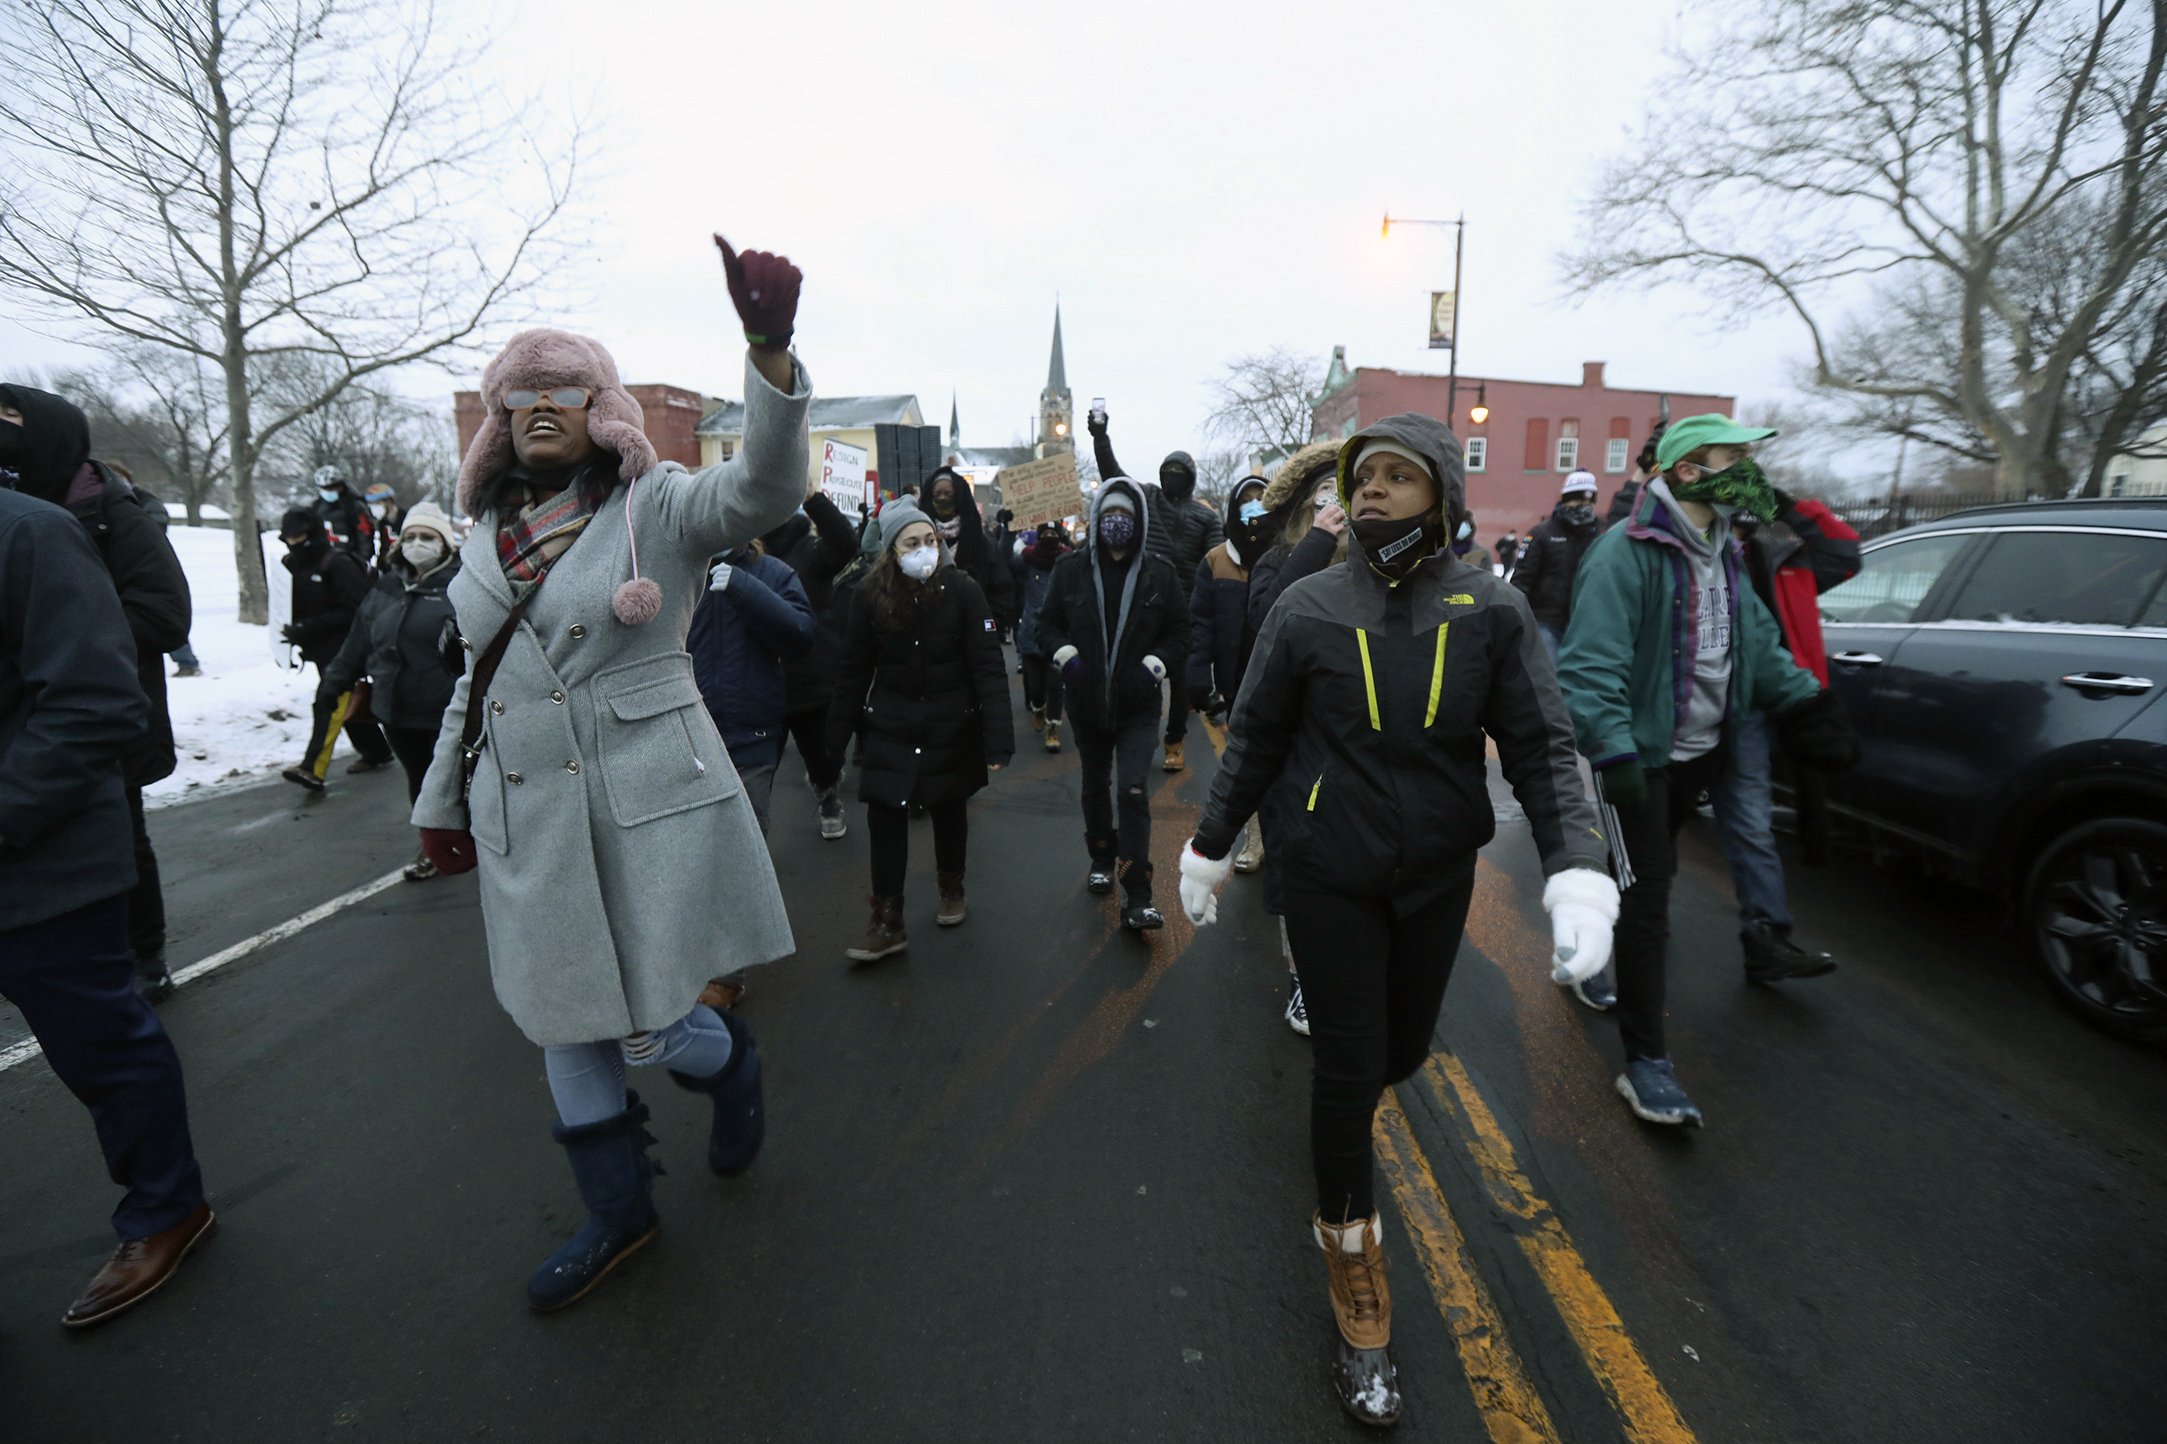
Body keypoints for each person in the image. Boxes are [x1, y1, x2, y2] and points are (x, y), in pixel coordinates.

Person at [1176, 414, 1617, 1429]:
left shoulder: (1490, 609)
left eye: (1395, 477)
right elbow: (1253, 735)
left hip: (1433, 875)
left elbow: (1545, 748)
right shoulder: (1308, 605)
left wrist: (1578, 871)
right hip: (1326, 868)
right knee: (1345, 1067)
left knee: (1399, 1055)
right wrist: (1209, 846)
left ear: (1440, 500)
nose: (1370, 492)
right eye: (1360, 477)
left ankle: (1347, 1138)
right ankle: (1352, 1270)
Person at [408, 235, 811, 1311]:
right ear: (496, 418)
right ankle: (618, 1213)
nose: (541, 404)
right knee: (562, 1020)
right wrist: (441, 805)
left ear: (603, 405)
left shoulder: (658, 505)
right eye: (519, 392)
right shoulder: (481, 537)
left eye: (565, 387)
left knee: (659, 1022)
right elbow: (474, 686)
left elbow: (767, 484)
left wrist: (768, 353)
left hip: (647, 803)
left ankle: (731, 1070)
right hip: (527, 819)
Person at [1556, 414, 1857, 1128]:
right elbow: (1586, 668)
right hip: (1640, 760)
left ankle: (1587, 939)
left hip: (1700, 754)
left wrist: (1806, 704)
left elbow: (1752, 641)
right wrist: (1616, 754)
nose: (1751, 472)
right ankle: (1645, 1063)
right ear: (1690, 470)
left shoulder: (1722, 549)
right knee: (1650, 898)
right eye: (1737, 458)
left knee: (1631, 872)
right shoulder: (1623, 553)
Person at [0, 473, 215, 1329]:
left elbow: (95, 700)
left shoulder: (30, 534)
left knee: (105, 1052)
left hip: (41, 864)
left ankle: (168, 1210)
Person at [0, 384, 193, 1002]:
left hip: (102, 708)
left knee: (121, 834)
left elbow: (165, 614)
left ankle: (145, 953)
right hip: (22, 718)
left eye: (9, 423)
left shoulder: (113, 511)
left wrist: (75, 636)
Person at [826, 497, 1015, 959]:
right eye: (912, 543)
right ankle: (888, 920)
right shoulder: (869, 598)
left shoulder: (964, 591)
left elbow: (989, 667)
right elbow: (853, 671)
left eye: (930, 540)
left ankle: (952, 885)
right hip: (891, 725)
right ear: (892, 550)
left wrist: (999, 738)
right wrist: (833, 743)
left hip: (952, 724)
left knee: (949, 808)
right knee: (885, 818)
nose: (925, 550)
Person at [1714, 467, 1861, 977]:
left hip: (1779, 699)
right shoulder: (1699, 558)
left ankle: (1767, 936)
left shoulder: (1786, 559)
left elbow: (1846, 551)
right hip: (1719, 703)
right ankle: (1629, 938)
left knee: (1754, 817)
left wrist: (1790, 504)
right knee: (1733, 817)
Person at [1038, 477, 1189, 931]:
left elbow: (1181, 634)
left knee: (1133, 791)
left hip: (1138, 706)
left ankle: (1138, 894)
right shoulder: (1070, 570)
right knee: (1094, 785)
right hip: (1086, 702)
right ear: (1096, 520)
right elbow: (1047, 627)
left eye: (1124, 516)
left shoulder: (1160, 573)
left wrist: (1153, 668)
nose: (1116, 524)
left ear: (1138, 521)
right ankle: (1102, 858)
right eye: (1108, 516)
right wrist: (1069, 662)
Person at [1244, 440, 1348, 1034]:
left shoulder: (1374, 566)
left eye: (1344, 500)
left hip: (1358, 742)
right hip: (1291, 745)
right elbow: (1265, 616)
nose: (1335, 511)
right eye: (1322, 501)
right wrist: (1316, 543)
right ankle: (1303, 979)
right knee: (1297, 862)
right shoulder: (1277, 559)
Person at [318, 502, 465, 879]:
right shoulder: (385, 587)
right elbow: (358, 640)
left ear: (446, 546)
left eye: (428, 537)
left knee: (457, 780)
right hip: (395, 709)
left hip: (447, 709)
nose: (418, 543)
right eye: (411, 536)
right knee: (421, 780)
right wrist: (333, 681)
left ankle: (481, 840)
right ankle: (434, 847)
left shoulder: (462, 586)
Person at [1087, 403, 1220, 772]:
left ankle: (1174, 739)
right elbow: (1112, 474)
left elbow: (1214, 562)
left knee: (1179, 682)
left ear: (1190, 478)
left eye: (1180, 473)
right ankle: (1130, 731)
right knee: (1137, 670)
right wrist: (1101, 438)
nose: (1173, 477)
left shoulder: (1206, 517)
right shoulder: (1148, 497)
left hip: (1186, 606)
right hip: (1146, 600)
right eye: (1168, 472)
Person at [690, 537, 816, 835]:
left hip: (751, 736)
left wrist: (744, 588)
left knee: (747, 841)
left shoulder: (772, 572)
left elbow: (801, 635)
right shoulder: (677, 572)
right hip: (691, 738)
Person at [761, 479, 861, 840]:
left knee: (822, 755)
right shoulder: (746, 553)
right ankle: (752, 828)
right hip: (763, 681)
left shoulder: (810, 551)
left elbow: (846, 543)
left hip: (811, 677)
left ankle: (828, 794)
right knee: (755, 765)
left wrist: (813, 498)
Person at [279, 508, 395, 790]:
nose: (294, 543)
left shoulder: (338, 563)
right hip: (321, 649)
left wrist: (308, 627)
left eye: (300, 536)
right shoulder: (289, 564)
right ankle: (376, 751)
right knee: (349, 701)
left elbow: (357, 609)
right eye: (289, 538)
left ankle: (312, 768)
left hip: (348, 649)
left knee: (328, 702)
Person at [1189, 473, 1269, 857]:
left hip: (1279, 679)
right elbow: (1200, 626)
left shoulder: (1286, 555)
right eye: (1247, 500)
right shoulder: (1215, 561)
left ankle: (1278, 836)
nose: (1255, 507)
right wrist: (1197, 678)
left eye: (1262, 500)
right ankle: (1255, 840)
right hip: (1236, 683)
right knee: (1246, 763)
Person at [1512, 470, 1604, 661]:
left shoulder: (1600, 535)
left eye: (1589, 503)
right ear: (1566, 500)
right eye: (1579, 502)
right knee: (1549, 673)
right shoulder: (1541, 534)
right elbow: (1522, 580)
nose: (1584, 508)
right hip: (1545, 620)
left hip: (1586, 622)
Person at [922, 466, 1016, 634]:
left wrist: (987, 626)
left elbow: (1002, 591)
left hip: (971, 635)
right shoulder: (916, 541)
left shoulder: (983, 543)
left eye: (948, 494)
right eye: (937, 494)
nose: (942, 498)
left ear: (958, 496)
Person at [1014, 519, 1073, 752]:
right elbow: (1004, 560)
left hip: (1059, 633)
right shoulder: (1026, 562)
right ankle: (1038, 707)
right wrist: (1008, 530)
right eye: (1045, 533)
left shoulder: (1068, 563)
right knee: (1036, 687)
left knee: (1056, 683)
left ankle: (1052, 727)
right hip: (1031, 632)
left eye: (1053, 533)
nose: (1049, 536)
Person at [309, 466, 376, 565]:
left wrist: (362, 561)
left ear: (340, 486)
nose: (328, 491)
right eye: (325, 489)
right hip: (326, 560)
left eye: (331, 488)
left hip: (352, 560)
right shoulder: (317, 506)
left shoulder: (355, 506)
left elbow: (365, 535)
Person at [364, 482, 406, 571]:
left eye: (377, 503)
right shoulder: (382, 523)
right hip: (388, 571)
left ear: (389, 501)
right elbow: (383, 548)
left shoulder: (406, 519)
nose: (373, 507)